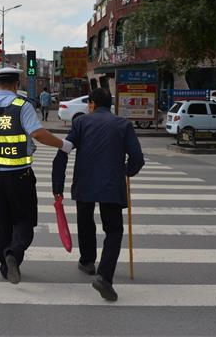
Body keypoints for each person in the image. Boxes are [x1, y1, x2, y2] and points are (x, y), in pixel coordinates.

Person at [0, 67, 74, 284]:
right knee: (24, 221)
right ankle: (13, 253)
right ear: (16, 85)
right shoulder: (22, 106)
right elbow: (38, 133)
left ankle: (5, 266)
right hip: (19, 175)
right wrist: (63, 145)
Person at [52, 88, 144, 301]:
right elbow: (137, 158)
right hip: (112, 184)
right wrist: (126, 171)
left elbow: (63, 151)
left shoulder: (81, 123)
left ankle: (87, 261)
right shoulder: (123, 124)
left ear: (92, 104)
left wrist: (58, 184)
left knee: (85, 220)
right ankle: (104, 276)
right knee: (113, 230)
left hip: (84, 183)